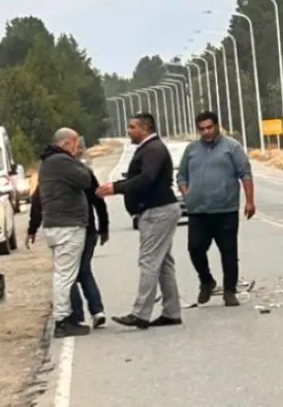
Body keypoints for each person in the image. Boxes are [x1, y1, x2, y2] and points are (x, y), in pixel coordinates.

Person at [96, 113, 182, 329]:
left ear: (145, 128)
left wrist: (117, 188)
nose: (129, 131)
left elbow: (146, 179)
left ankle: (140, 313)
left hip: (157, 211)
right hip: (159, 210)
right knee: (163, 263)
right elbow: (141, 177)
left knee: (149, 261)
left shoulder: (153, 149)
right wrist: (117, 185)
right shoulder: (150, 148)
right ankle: (172, 312)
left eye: (132, 127)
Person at [176, 111, 255, 307]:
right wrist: (187, 193)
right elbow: (182, 175)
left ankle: (229, 291)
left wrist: (249, 201)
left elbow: (245, 174)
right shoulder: (192, 149)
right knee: (195, 248)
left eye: (209, 127)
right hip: (198, 211)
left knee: (228, 251)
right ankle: (207, 280)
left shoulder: (232, 148)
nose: (206, 132)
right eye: (202, 129)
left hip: (225, 210)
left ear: (217, 126)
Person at [28, 160, 109, 328]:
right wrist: (103, 227)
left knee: (68, 273)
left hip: (69, 227)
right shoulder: (83, 173)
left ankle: (76, 314)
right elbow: (98, 199)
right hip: (88, 228)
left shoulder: (50, 175)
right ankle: (97, 311)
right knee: (84, 271)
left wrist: (32, 228)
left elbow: (37, 202)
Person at [36, 128, 94, 338]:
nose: (77, 149)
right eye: (76, 144)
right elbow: (86, 180)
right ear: (69, 142)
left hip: (55, 224)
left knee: (63, 273)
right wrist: (81, 160)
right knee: (65, 275)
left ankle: (66, 316)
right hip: (67, 225)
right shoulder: (62, 161)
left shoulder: (47, 162)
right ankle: (62, 319)